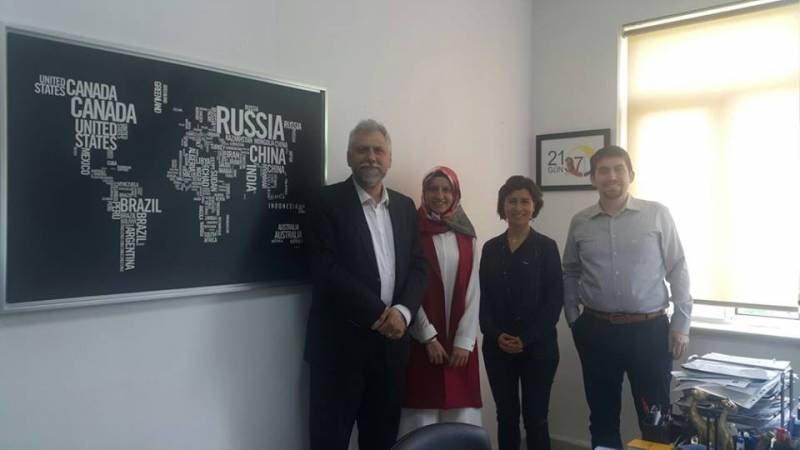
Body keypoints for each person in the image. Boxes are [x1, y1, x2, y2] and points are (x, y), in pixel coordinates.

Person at [304, 119, 428, 450]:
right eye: (362, 150)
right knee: (329, 441)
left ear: (389, 158)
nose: (371, 157)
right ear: (349, 157)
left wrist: (403, 313)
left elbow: (418, 266)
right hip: (338, 350)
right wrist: (379, 314)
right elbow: (325, 269)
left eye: (378, 150)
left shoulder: (404, 207)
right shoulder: (324, 202)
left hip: (391, 350)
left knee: (381, 440)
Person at [563, 145, 691, 449]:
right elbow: (570, 271)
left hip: (649, 331)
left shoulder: (657, 214)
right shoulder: (580, 222)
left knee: (655, 417)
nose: (611, 176)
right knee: (602, 416)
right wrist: (573, 319)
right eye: (603, 171)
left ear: (630, 174)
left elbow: (677, 267)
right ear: (593, 178)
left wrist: (681, 324)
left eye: (618, 169)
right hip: (596, 330)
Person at [479, 175, 563, 450]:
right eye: (512, 201)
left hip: (538, 349)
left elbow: (554, 302)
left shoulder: (547, 247)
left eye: (524, 201)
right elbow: (484, 301)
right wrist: (496, 335)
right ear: (503, 205)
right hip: (497, 348)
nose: (518, 207)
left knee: (536, 419)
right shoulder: (490, 248)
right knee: (506, 417)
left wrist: (525, 339)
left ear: (534, 205)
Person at [398, 166, 482, 436]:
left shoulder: (466, 233)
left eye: (446, 189)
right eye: (433, 189)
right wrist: (428, 337)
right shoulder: (411, 230)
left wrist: (464, 341)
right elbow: (407, 286)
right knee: (422, 416)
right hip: (423, 340)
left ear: (455, 194)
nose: (439, 195)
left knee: (460, 416)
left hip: (460, 345)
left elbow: (474, 290)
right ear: (424, 193)